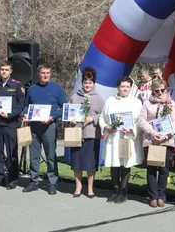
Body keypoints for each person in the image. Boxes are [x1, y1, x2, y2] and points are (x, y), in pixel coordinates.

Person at [23, 63, 67, 194]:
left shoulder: (57, 89)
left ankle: (52, 182)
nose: (45, 75)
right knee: (34, 155)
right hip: (34, 126)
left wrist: (53, 117)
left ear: (50, 74)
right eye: (43, 73)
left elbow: (64, 107)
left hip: (49, 126)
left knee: (50, 155)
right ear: (38, 74)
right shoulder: (32, 89)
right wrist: (26, 114)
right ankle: (34, 181)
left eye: (48, 73)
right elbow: (26, 105)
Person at [99, 76, 143, 204]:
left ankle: (123, 191)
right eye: (123, 86)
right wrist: (106, 127)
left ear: (131, 88)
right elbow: (102, 117)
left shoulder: (136, 102)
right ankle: (115, 189)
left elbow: (140, 121)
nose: (125, 89)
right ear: (118, 87)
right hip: (113, 137)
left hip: (127, 137)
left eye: (127, 87)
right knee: (114, 164)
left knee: (125, 164)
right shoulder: (110, 101)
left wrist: (132, 130)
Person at [138, 79, 175, 207]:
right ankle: (153, 196)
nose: (160, 93)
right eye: (157, 91)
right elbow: (141, 120)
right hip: (150, 140)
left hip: (165, 141)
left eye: (162, 90)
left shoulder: (171, 103)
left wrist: (165, 136)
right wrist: (152, 132)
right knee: (151, 169)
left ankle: (161, 195)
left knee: (163, 169)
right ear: (153, 91)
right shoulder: (147, 103)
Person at [0, 61, 24, 190]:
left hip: (10, 124)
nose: (4, 71)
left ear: (10, 71)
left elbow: (21, 104)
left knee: (11, 152)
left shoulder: (16, 85)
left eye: (6, 69)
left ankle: (13, 178)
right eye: (2, 69)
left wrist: (10, 114)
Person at [68, 67, 104, 198]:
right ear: (82, 83)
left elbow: (102, 115)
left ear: (94, 83)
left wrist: (92, 118)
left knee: (90, 163)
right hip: (76, 133)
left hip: (91, 134)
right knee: (77, 162)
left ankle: (90, 188)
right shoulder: (75, 96)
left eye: (90, 82)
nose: (87, 85)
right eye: (85, 82)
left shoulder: (99, 98)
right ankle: (78, 187)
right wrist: (70, 120)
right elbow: (68, 113)